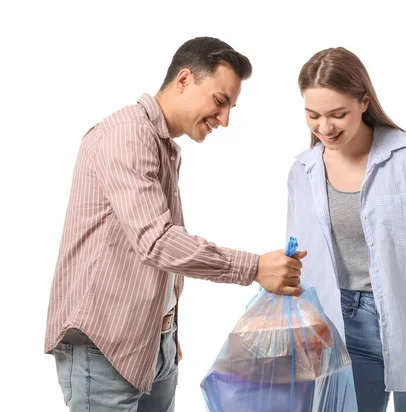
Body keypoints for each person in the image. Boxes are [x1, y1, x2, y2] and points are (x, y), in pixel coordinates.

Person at [45, 36, 306, 412]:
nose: (225, 120)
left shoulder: (161, 144)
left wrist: (163, 328)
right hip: (104, 348)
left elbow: (142, 253)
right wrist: (254, 267)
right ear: (184, 80)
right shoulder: (127, 136)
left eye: (231, 107)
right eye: (220, 102)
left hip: (153, 341)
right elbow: (157, 242)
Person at [286, 47, 406, 411]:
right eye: (312, 115)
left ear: (364, 102)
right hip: (343, 325)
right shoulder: (302, 172)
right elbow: (298, 257)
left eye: (338, 115)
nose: (325, 128)